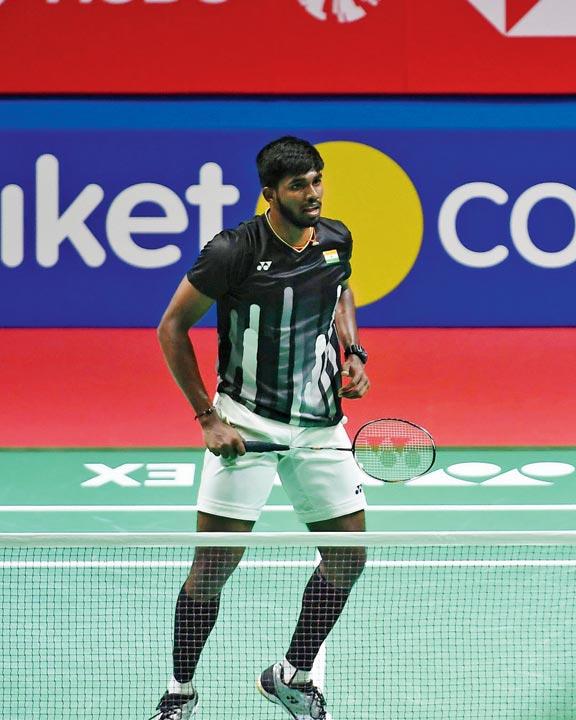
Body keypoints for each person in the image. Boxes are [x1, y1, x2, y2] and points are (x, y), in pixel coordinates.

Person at [151, 136, 372, 720]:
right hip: (246, 422)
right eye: (300, 185)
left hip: (321, 425)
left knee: (348, 556)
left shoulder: (335, 238)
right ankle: (179, 694)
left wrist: (354, 352)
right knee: (213, 568)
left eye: (318, 180)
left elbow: (342, 288)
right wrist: (207, 416)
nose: (314, 194)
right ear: (270, 194)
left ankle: (291, 675)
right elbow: (172, 327)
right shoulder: (232, 251)